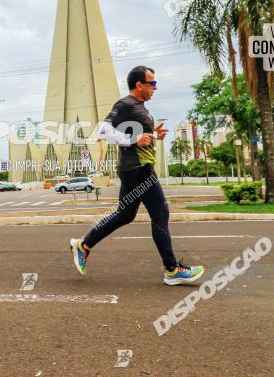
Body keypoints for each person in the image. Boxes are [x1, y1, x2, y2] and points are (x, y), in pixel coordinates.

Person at [68, 66, 205, 285]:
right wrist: (134, 140)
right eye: (152, 83)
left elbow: (136, 136)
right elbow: (102, 132)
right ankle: (172, 269)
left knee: (125, 214)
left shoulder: (139, 107)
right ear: (139, 85)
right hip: (138, 169)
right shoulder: (125, 104)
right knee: (160, 212)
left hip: (135, 167)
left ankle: (83, 246)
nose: (155, 88)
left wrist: (152, 136)